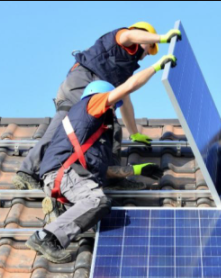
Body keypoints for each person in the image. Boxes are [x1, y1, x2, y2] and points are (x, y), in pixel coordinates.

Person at [25, 54, 177, 264]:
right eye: (114, 104)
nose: (114, 110)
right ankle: (46, 237)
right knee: (96, 200)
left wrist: (137, 170)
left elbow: (104, 170)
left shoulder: (97, 134)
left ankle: (58, 216)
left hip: (70, 177)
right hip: (65, 174)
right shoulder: (91, 104)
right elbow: (127, 87)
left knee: (99, 208)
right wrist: (156, 67)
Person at [12, 22, 181, 190]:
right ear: (143, 37)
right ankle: (27, 172)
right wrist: (162, 38)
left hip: (94, 88)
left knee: (112, 129)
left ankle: (115, 179)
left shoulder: (125, 68)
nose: (147, 54)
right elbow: (130, 36)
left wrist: (134, 133)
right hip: (82, 81)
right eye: (150, 48)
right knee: (68, 124)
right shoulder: (121, 37)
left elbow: (125, 99)